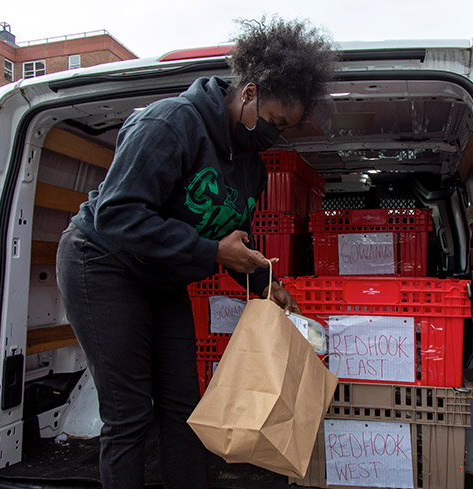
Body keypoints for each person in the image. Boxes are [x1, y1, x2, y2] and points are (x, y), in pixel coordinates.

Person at [55, 16, 335, 489]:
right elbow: (117, 214)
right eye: (274, 121)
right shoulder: (170, 123)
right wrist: (210, 251)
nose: (275, 135)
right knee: (129, 414)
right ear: (248, 93)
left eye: (284, 129)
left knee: (183, 406)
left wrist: (268, 284)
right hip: (102, 263)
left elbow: (235, 244)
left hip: (162, 277)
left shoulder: (252, 170)